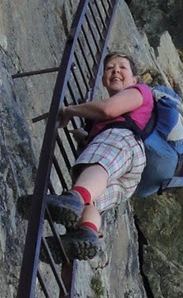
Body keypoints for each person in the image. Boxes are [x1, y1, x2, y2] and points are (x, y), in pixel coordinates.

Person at [47, 52, 154, 259]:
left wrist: (70, 110)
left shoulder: (140, 91)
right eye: (109, 68)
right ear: (104, 79)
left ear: (134, 79)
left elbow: (108, 109)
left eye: (122, 67)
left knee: (96, 169)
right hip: (128, 170)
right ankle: (86, 233)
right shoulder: (107, 124)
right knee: (92, 201)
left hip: (124, 142)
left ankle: (74, 198)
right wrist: (86, 138)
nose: (115, 70)